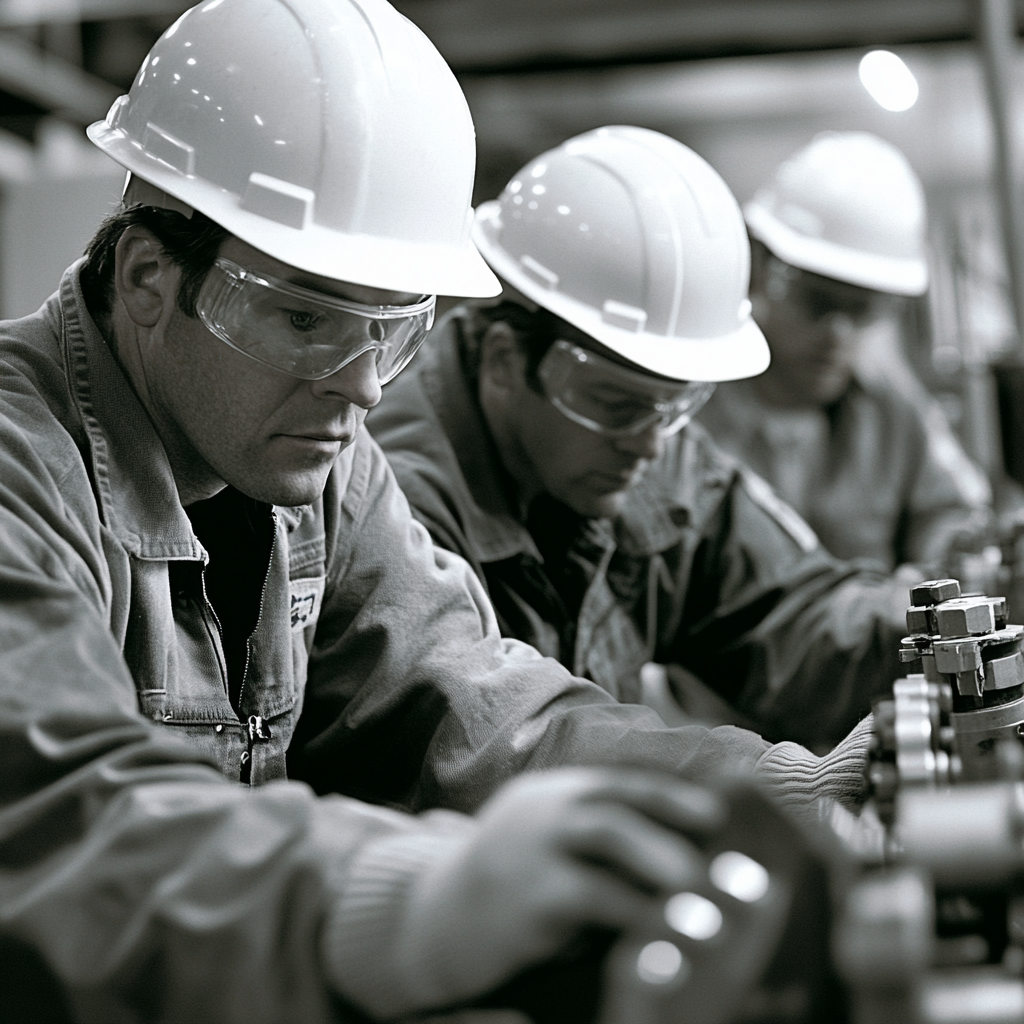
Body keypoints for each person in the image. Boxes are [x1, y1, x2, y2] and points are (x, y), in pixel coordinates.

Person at [0, 3, 873, 1022]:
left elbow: (470, 703)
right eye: (305, 319)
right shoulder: (25, 465)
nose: (364, 389)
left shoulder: (316, 462)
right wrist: (401, 896)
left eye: (393, 332)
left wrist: (776, 787)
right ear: (149, 278)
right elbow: (59, 813)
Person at [367, 125, 910, 749]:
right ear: (503, 360)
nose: (650, 445)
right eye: (613, 402)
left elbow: (788, 616)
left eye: (678, 404)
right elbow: (490, 738)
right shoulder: (400, 499)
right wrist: (757, 779)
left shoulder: (649, 454)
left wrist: (938, 627)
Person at [698, 131, 992, 577]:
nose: (838, 333)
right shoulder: (689, 412)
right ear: (760, 266)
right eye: (818, 301)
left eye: (863, 309)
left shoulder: (896, 415)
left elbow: (954, 519)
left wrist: (957, 560)